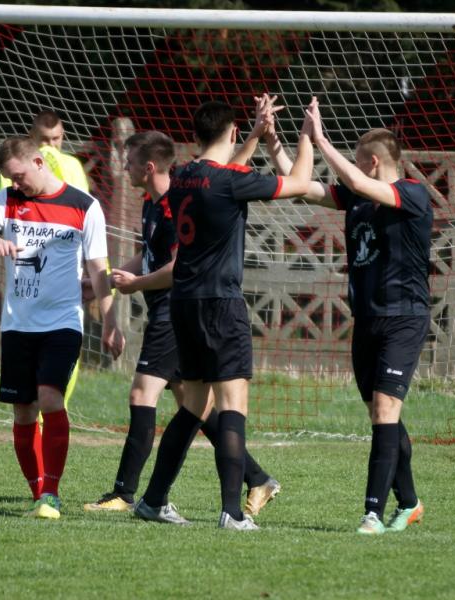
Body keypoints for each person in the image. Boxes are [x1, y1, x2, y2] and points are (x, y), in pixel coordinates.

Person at [133, 97, 315, 530]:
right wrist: (307, 135)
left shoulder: (181, 177)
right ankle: (232, 513)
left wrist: (253, 133)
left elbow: (221, 172)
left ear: (196, 136)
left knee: (193, 406)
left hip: (183, 303)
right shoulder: (233, 180)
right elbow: (302, 181)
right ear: (231, 134)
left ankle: (153, 500)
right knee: (232, 406)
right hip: (221, 304)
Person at [83, 126, 280, 517]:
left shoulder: (177, 202)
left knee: (143, 394)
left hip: (178, 310)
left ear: (149, 165)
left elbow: (178, 265)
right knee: (196, 407)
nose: (124, 167)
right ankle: (256, 478)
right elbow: (150, 255)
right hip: (168, 309)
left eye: (130, 161)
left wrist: (136, 284)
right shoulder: (151, 203)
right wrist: (102, 280)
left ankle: (126, 493)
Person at [0, 136, 124, 519]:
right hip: (18, 325)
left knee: (50, 398)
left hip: (62, 322)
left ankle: (51, 493)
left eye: (18, 176)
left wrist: (111, 323)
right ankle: (38, 493)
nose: (15, 184)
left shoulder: (85, 207)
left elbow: (98, 271)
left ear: (38, 161)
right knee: (23, 413)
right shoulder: (8, 200)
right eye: (9, 179)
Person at [292, 99, 431, 534]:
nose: (350, 170)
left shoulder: (411, 193)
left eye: (356, 162)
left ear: (372, 162)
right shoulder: (359, 194)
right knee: (380, 413)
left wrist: (322, 139)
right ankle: (408, 502)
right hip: (367, 321)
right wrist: (290, 139)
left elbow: (351, 178)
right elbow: (305, 186)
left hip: (403, 317)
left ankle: (372, 513)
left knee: (387, 409)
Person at [0, 110, 90, 411]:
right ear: (32, 141)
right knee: (24, 402)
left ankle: (52, 419)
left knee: (56, 383)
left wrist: (101, 280)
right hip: (25, 293)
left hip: (64, 288)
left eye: (57, 139)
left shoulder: (73, 166)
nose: (52, 146)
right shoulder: (11, 179)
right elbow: (0, 223)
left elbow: (86, 225)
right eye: (45, 140)